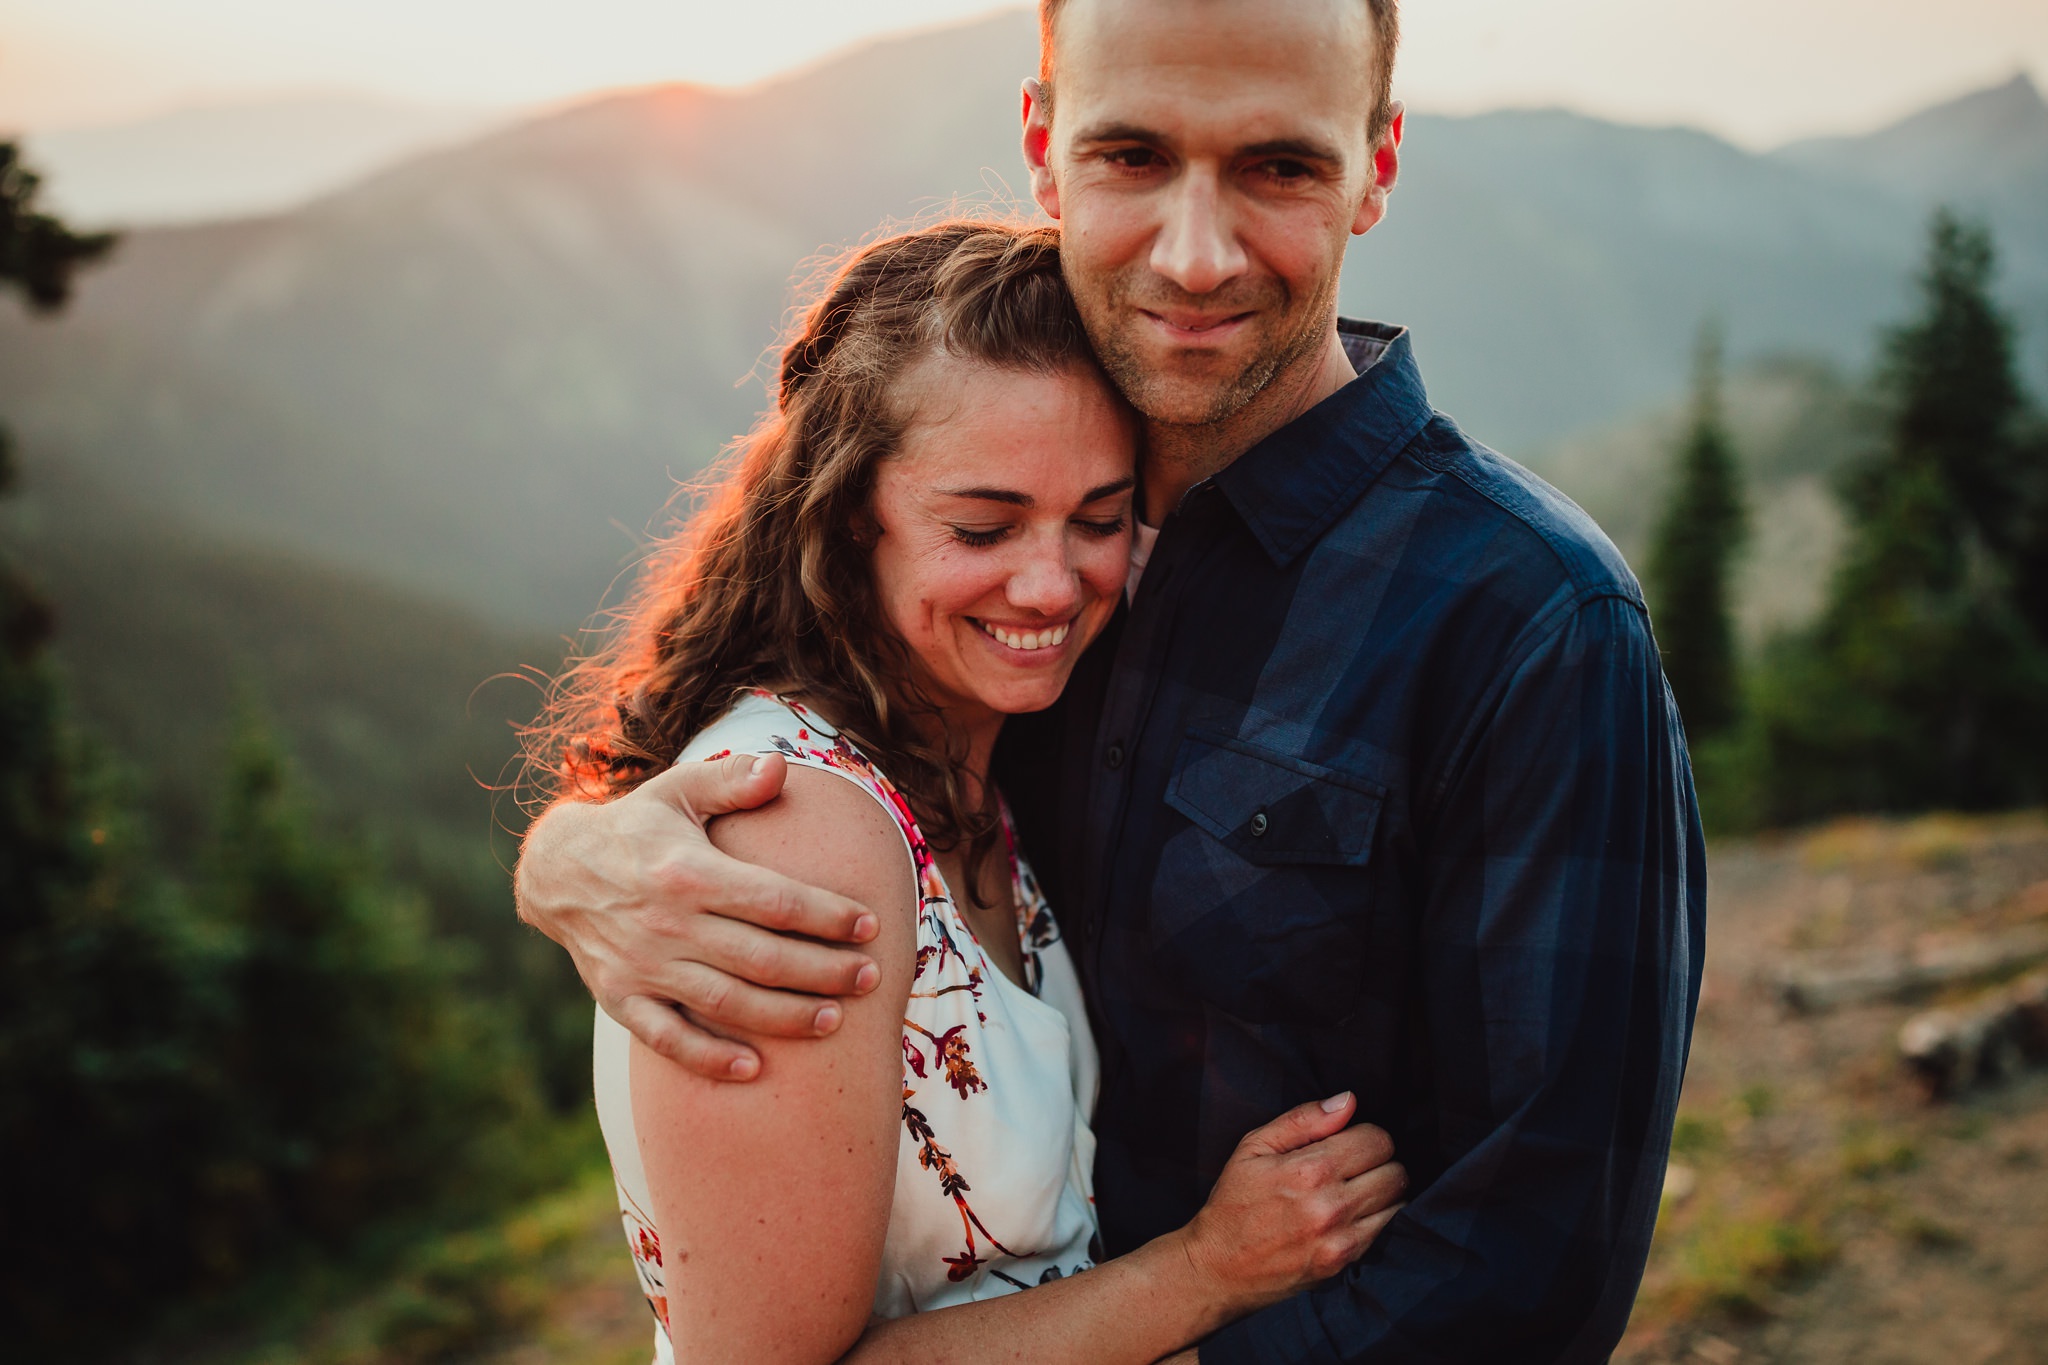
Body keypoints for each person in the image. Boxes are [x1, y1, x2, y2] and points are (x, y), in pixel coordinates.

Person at [518, 1, 1708, 1360]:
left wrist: (1182, 1316)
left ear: (1377, 166)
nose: (1196, 259)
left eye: (1279, 166)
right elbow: (784, 724)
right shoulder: (1022, 551)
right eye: (1133, 156)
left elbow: (1534, 1263)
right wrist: (569, 856)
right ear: (1045, 148)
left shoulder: (1532, 622)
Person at [534, 221, 1409, 1363]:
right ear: (852, 508)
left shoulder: (982, 751)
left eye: (1097, 518)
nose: (1051, 584)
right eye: (983, 526)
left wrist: (552, 856)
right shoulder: (797, 835)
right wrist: (1205, 1272)